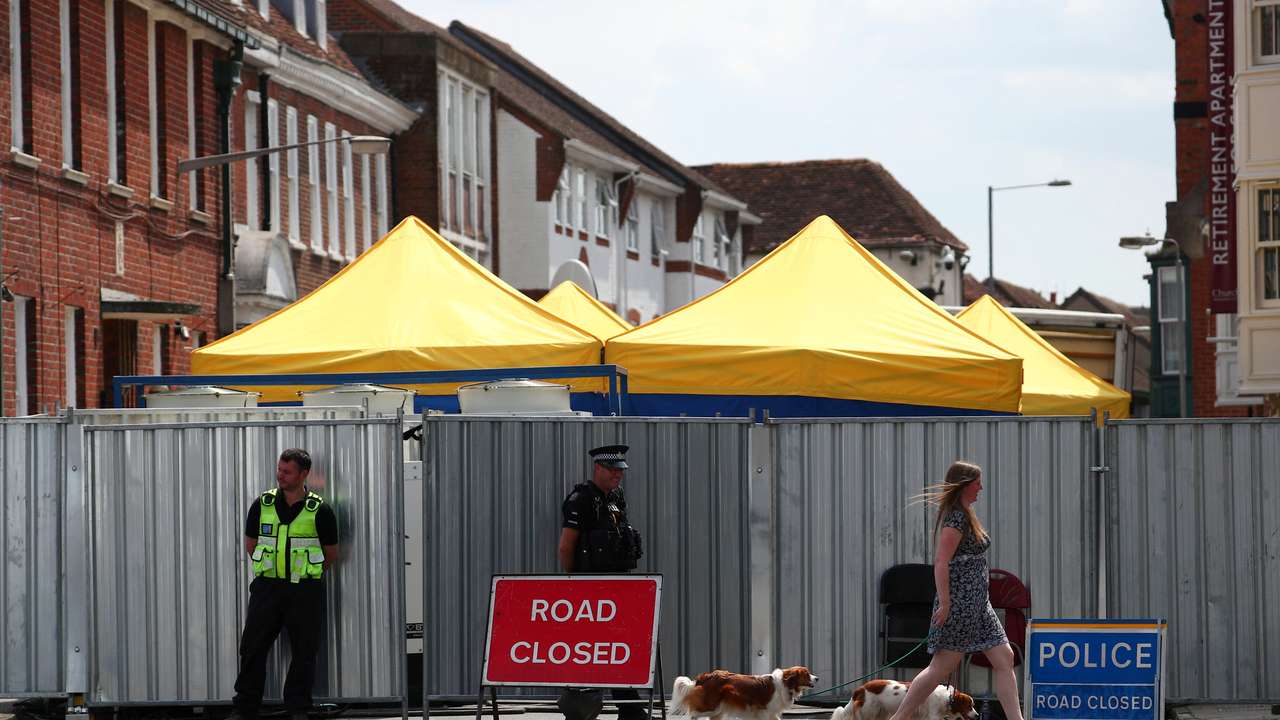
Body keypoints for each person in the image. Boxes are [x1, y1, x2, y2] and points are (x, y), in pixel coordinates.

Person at [887, 461, 1024, 720]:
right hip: (960, 604)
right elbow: (941, 560)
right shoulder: (956, 518)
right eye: (977, 483)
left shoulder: (966, 513)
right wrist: (946, 604)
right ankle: (900, 717)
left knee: (1004, 657)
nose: (981, 487)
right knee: (941, 667)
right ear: (964, 485)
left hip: (979, 604)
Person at [230, 449, 339, 720]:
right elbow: (251, 544)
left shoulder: (320, 510)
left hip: (304, 591)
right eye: (279, 469)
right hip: (267, 589)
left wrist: (303, 574)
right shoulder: (262, 504)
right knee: (253, 649)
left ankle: (298, 708)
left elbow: (330, 553)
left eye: (287, 471)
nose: (280, 475)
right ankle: (245, 708)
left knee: (304, 651)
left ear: (304, 474)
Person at [556, 444, 647, 720]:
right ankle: (580, 707)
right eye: (612, 470)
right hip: (590, 587)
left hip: (618, 584)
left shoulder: (615, 496)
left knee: (620, 647)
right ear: (598, 468)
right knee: (590, 649)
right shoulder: (581, 499)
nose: (618, 475)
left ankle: (630, 710)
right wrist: (575, 582)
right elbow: (566, 547)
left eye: (620, 470)